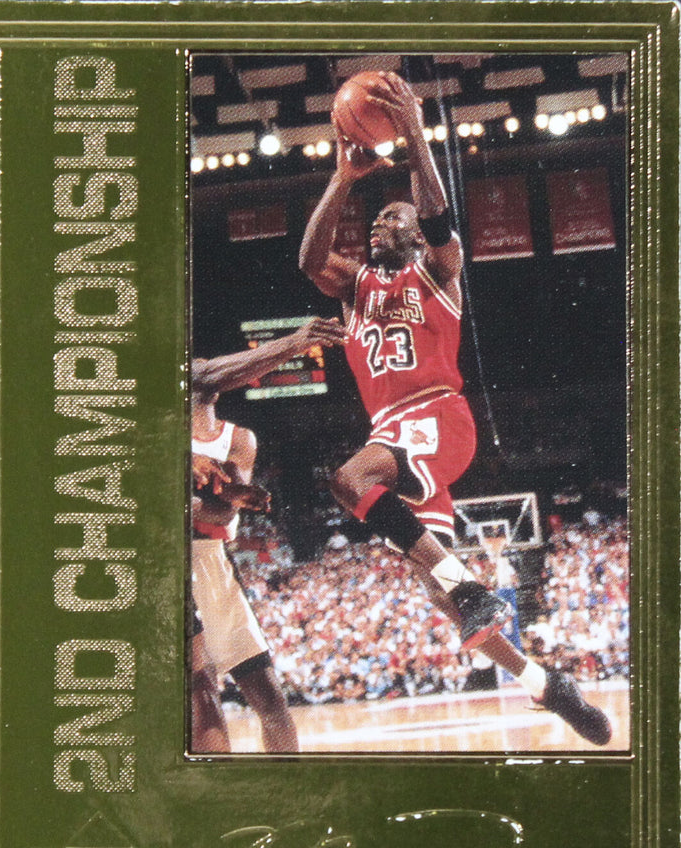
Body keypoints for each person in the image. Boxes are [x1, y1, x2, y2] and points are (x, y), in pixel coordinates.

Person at [299, 71, 611, 745]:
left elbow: (438, 217)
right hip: (394, 434)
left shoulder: (437, 272)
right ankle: (544, 683)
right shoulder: (356, 288)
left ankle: (470, 590)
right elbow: (309, 259)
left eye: (393, 217)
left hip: (438, 418)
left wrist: (415, 133)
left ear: (416, 235)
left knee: (349, 479)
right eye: (377, 218)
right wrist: (341, 178)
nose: (380, 223)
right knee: (438, 590)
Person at [188, 316, 347, 754]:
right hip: (179, 560)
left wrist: (204, 498)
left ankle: (285, 782)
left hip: (216, 563)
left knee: (271, 700)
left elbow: (222, 513)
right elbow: (221, 504)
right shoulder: (162, 434)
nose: (204, 367)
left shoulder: (240, 438)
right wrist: (295, 342)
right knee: (202, 692)